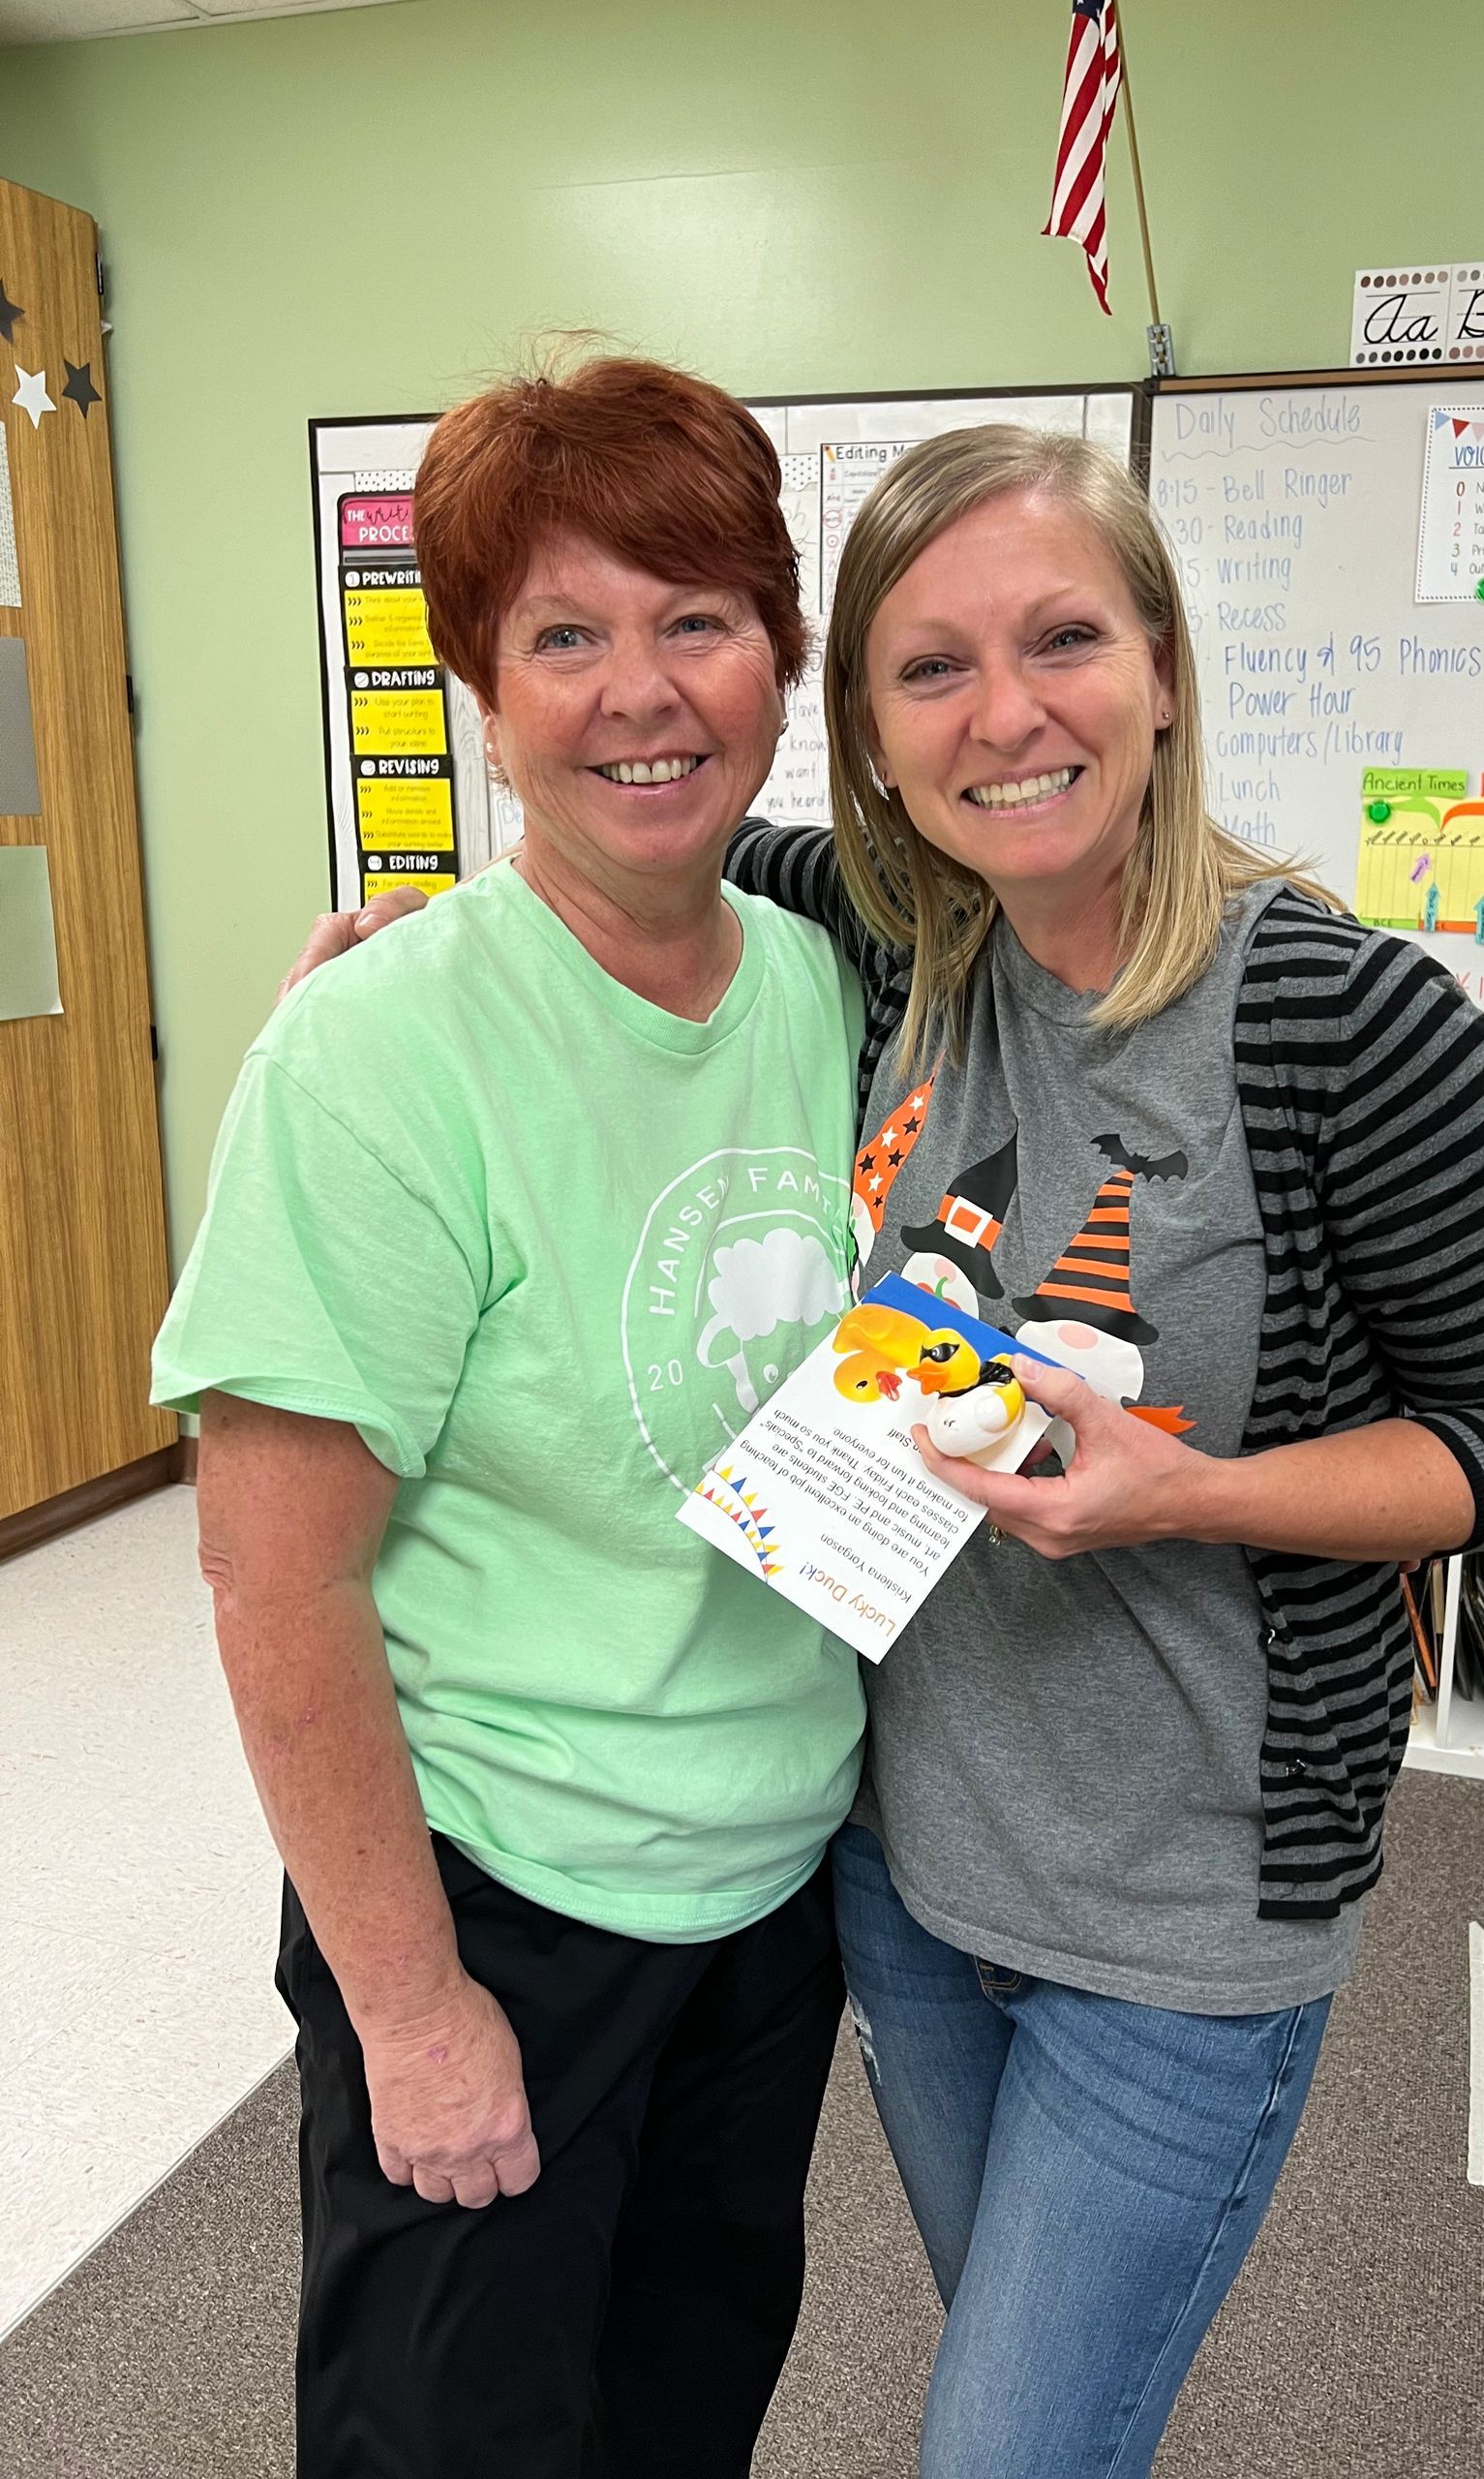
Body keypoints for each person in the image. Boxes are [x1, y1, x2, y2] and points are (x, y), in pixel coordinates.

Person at [294, 420, 1484, 2477]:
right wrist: (416, 968)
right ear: (874, 738)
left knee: (1009, 2448)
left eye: (1065, 639)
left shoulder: (1349, 1023)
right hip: (900, 1876)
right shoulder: (890, 942)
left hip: (1181, 1918)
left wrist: (1194, 1491)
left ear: (1164, 667)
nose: (1007, 718)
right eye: (930, 671)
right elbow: (644, 824)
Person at [151, 356, 872, 2479]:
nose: (641, 691)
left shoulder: (823, 980)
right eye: (565, 632)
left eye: (697, 619)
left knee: (678, 2417)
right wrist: (408, 2007)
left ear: (779, 655)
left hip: (772, 1890)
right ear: (482, 675)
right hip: (499, 1902)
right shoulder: (382, 1052)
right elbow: (269, 1579)